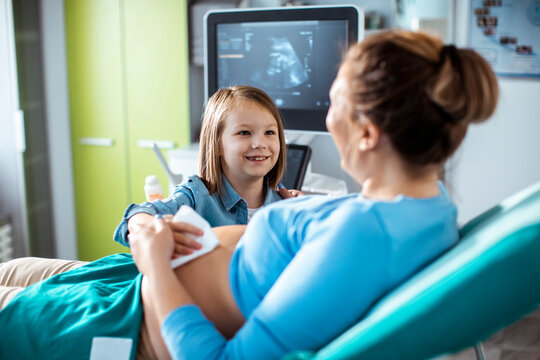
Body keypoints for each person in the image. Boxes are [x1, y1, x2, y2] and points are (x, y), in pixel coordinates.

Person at [0, 30, 499, 359]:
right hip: (132, 281)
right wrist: (316, 213)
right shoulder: (429, 209)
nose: (327, 118)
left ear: (367, 133)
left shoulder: (364, 236)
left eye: (335, 104)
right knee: (17, 272)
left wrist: (154, 265)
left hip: (139, 323)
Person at [114, 85, 297, 255]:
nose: (260, 144)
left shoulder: (285, 204)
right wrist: (150, 225)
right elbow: (134, 217)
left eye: (270, 133)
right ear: (216, 144)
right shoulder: (196, 195)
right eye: (244, 133)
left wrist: (305, 213)